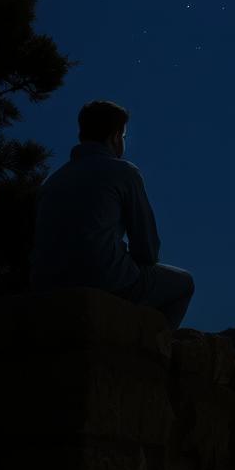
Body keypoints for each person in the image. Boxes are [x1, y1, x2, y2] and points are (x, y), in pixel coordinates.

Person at [28, 100, 194, 331]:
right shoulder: (123, 172)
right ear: (115, 137)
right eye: (123, 137)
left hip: (46, 283)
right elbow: (147, 247)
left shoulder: (52, 181)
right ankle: (155, 351)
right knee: (184, 283)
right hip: (104, 280)